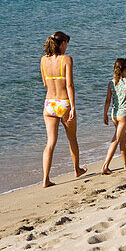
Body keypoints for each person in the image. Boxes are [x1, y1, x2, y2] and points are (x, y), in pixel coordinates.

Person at [40, 31, 85, 187]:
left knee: (50, 142)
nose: (67, 46)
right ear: (62, 43)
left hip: (49, 103)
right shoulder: (66, 60)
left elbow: (45, 83)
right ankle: (77, 169)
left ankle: (45, 179)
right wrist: (73, 106)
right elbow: (69, 85)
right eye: (67, 43)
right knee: (72, 138)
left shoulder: (43, 60)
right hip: (63, 102)